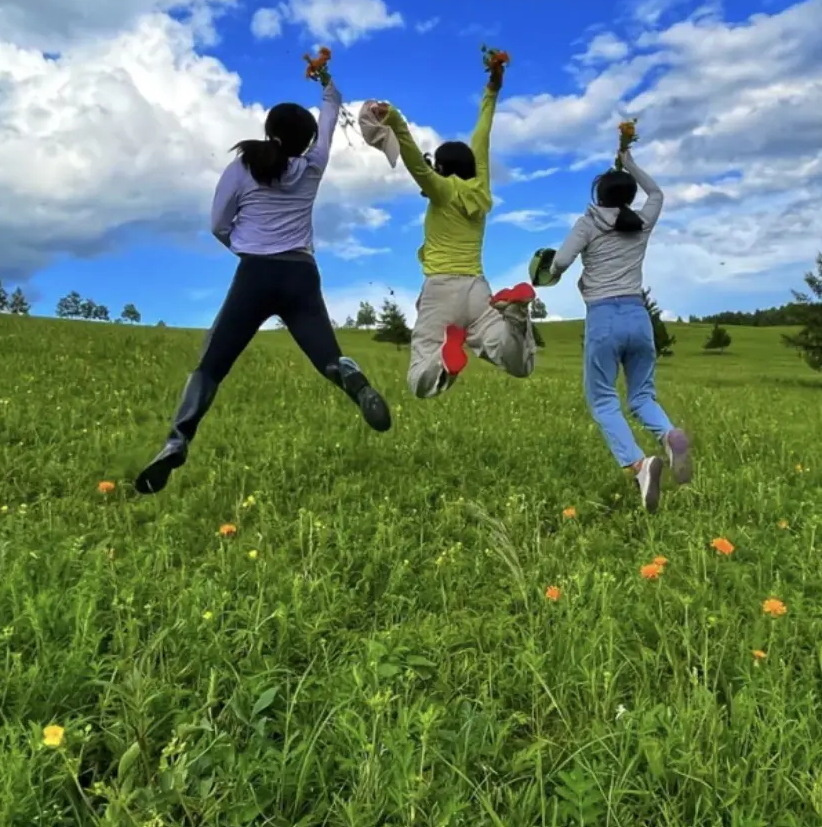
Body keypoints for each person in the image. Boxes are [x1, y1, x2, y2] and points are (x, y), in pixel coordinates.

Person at [134, 52, 390, 495]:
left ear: (268, 131)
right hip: (301, 276)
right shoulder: (314, 166)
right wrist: (326, 83)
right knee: (326, 356)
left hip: (255, 274)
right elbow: (331, 111)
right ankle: (353, 379)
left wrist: (242, 247)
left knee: (212, 365)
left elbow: (217, 223)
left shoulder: (242, 167)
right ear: (306, 139)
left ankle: (178, 438)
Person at [530, 140, 691, 510]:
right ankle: (669, 435)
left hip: (604, 318)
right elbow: (657, 192)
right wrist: (630, 162)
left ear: (598, 196)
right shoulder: (643, 221)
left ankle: (640, 464)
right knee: (642, 396)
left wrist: (548, 269)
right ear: (628, 196)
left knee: (603, 400)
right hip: (639, 316)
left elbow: (560, 263)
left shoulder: (588, 223)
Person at [373, 48, 536, 398]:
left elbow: (415, 163)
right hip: (479, 290)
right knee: (519, 365)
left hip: (440, 290)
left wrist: (396, 121)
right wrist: (492, 88)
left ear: (443, 170)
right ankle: (516, 315)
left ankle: (445, 362)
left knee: (418, 380)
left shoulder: (441, 190)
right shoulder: (481, 190)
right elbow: (483, 133)